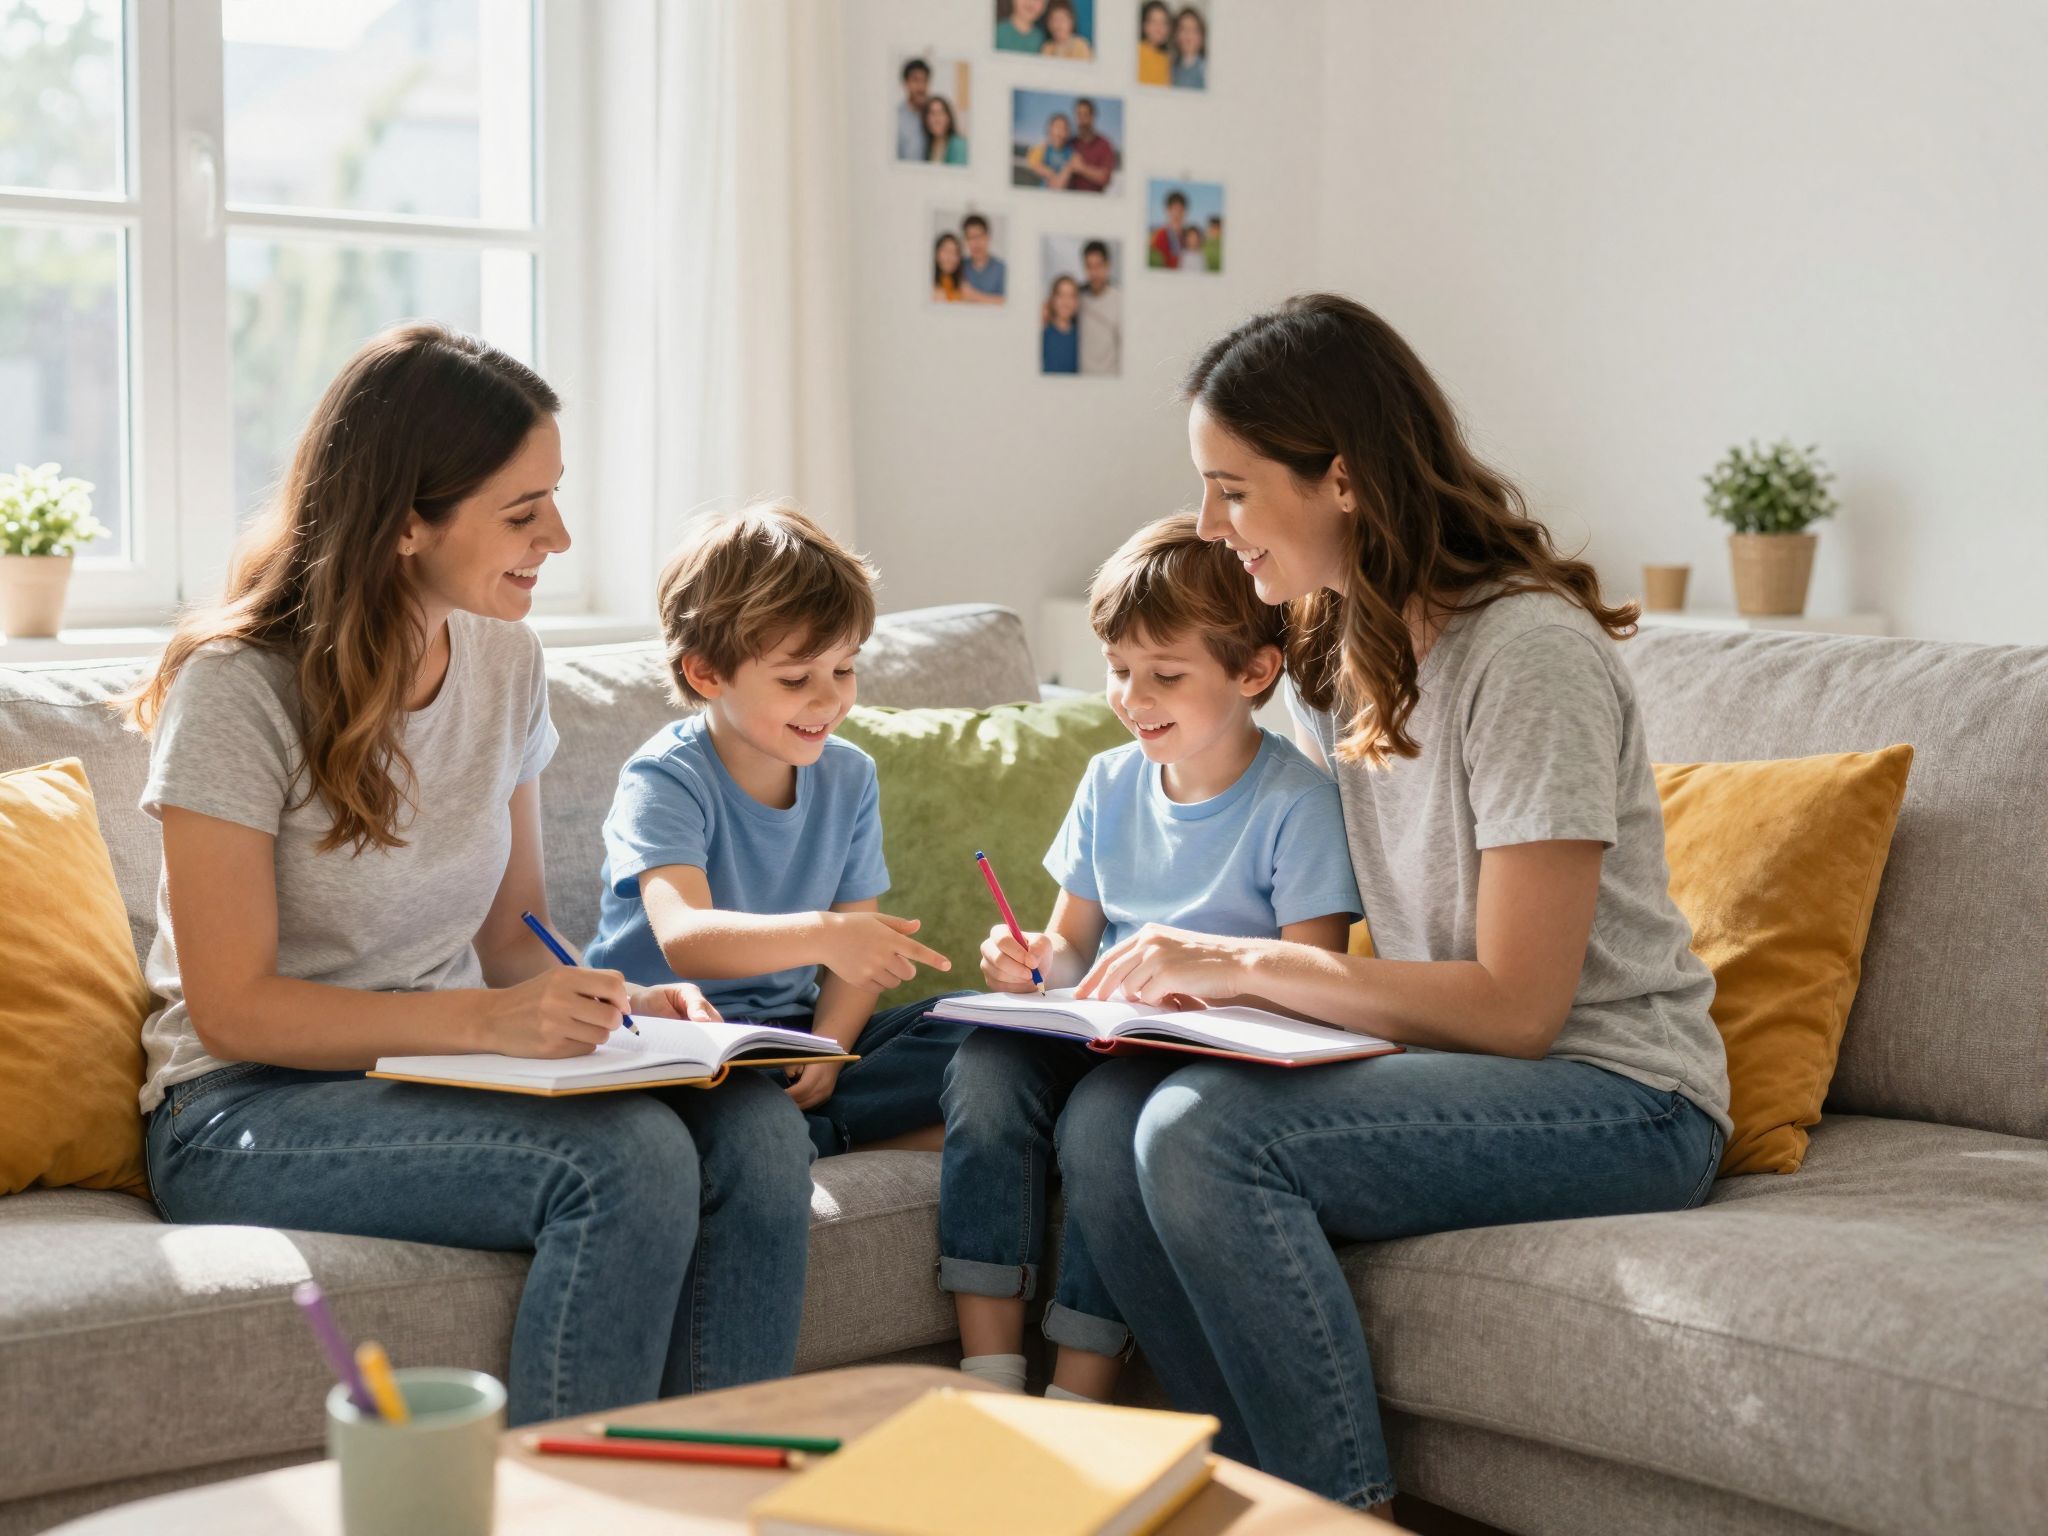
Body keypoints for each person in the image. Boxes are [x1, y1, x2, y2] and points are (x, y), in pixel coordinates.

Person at [1055, 294, 1732, 1514]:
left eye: (1235, 489)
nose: (1213, 526)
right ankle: (1253, 1495)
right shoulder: (1335, 650)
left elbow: (1522, 1010)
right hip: (1450, 1059)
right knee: (1108, 1120)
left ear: (1345, 480)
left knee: (1203, 1130)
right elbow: (1219, 787)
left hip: (1620, 1093)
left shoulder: (1525, 657)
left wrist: (1241, 967)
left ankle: (1336, 1512)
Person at [125, 324, 816, 1428]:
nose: (560, 534)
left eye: (555, 497)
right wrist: (494, 1024)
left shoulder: (504, 659)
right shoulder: (238, 691)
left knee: (756, 1131)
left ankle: (708, 1499)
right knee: (626, 1164)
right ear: (407, 519)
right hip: (240, 1104)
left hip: (436, 1064)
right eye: (521, 511)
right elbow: (234, 1007)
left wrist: (619, 1003)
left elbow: (517, 933)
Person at [939, 513, 1361, 1402]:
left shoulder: (1296, 804)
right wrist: (1028, 962)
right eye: (1119, 671)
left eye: (1165, 676)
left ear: (1254, 672)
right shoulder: (1109, 781)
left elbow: (1319, 983)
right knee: (983, 1068)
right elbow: (1069, 946)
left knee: (1104, 1124)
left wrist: (1199, 1001)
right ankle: (988, 1370)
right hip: (1102, 1027)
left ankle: (1080, 1388)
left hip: (1202, 1055)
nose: (1132, 698)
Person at [584, 502, 968, 1160]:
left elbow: (856, 959)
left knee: (975, 1027)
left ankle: (806, 1127)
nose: (830, 700)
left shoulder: (850, 775)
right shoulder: (665, 778)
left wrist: (831, 1050)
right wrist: (823, 934)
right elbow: (687, 942)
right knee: (730, 1103)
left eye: (844, 670)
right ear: (706, 673)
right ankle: (809, 1134)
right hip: (673, 1037)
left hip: (786, 1037)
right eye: (796, 679)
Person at [1076, 240, 1122, 376]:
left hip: (1111, 379)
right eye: (1089, 266)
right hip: (1081, 379)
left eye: (1098, 266)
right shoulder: (1077, 297)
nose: (1094, 272)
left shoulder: (1120, 298)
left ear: (1107, 266)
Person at [1067, 97, 1118, 193]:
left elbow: (1105, 178)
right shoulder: (1070, 143)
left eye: (1085, 115)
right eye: (1078, 115)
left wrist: (1082, 168)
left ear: (1093, 117)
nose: (1081, 120)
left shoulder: (1104, 144)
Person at [958, 214, 1007, 303]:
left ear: (988, 237)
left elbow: (1007, 302)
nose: (976, 243)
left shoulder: (1002, 268)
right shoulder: (959, 266)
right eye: (971, 238)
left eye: (979, 236)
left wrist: (973, 296)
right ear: (965, 241)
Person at [1022, 112, 1074, 189]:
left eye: (1064, 128)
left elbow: (1070, 168)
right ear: (1049, 129)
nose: (1060, 132)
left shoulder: (1070, 153)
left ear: (1068, 132)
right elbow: (1033, 163)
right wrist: (1050, 174)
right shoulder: (1043, 148)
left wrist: (1061, 177)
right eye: (1057, 127)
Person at [1041, 274, 1081, 375]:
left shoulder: (1082, 338)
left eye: (1071, 296)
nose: (1065, 302)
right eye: (1061, 295)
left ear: (1077, 302)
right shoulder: (1043, 336)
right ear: (1053, 300)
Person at [897, 58, 931, 161]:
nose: (921, 87)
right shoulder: (895, 118)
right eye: (915, 80)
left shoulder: (933, 116)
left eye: (924, 80)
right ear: (905, 83)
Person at [923, 95, 968, 166]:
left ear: (948, 118)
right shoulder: (927, 145)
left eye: (940, 113)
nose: (936, 119)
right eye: (932, 113)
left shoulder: (959, 145)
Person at [1149, 189, 1188, 268]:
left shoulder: (1187, 236)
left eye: (1180, 210)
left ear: (1185, 212)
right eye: (1174, 209)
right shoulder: (1161, 235)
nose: (1177, 214)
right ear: (1167, 210)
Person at [1170, 6, 1208, 88]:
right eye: (1183, 29)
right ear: (1175, 35)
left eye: (1194, 30)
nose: (1188, 35)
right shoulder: (1171, 68)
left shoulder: (1207, 70)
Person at [1136, 1, 1172, 86]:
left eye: (1164, 23)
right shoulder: (1136, 52)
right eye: (1154, 22)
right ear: (1144, 25)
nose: (1159, 28)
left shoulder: (1167, 59)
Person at [932, 232, 965, 302]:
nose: (951, 257)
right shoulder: (927, 285)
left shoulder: (962, 285)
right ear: (936, 253)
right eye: (946, 250)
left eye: (955, 252)